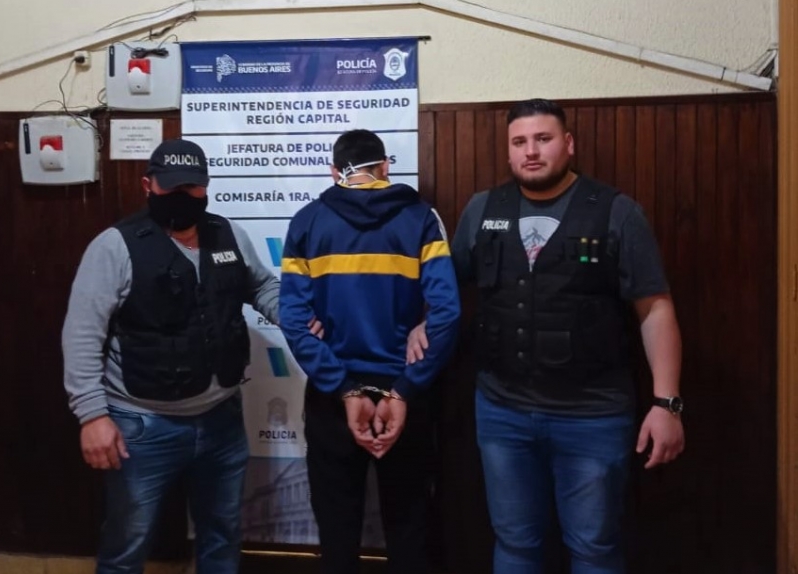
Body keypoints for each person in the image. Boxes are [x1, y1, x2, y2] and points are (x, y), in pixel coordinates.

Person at [411, 99, 685, 573]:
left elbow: (654, 309)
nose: (531, 151)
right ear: (508, 151)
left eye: (543, 139)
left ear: (568, 143)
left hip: (593, 415)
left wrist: (667, 404)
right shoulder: (482, 209)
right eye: (519, 142)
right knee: (515, 544)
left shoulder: (616, 212)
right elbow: (447, 288)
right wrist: (423, 320)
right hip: (502, 412)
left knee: (594, 547)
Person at [62, 138, 283, 574]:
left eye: (191, 187)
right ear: (148, 185)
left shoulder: (228, 234)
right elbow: (82, 334)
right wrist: (92, 415)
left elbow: (260, 285)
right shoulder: (114, 246)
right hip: (141, 425)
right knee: (127, 544)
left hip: (222, 420)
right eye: (172, 187)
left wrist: (292, 316)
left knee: (222, 535)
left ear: (206, 187)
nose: (183, 196)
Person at [279, 129, 461, 574]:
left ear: (334, 171)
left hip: (333, 396)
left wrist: (344, 389)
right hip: (406, 392)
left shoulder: (307, 221)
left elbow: (294, 322)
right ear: (385, 167)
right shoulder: (421, 218)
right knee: (410, 529)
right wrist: (404, 390)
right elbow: (447, 313)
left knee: (337, 533)